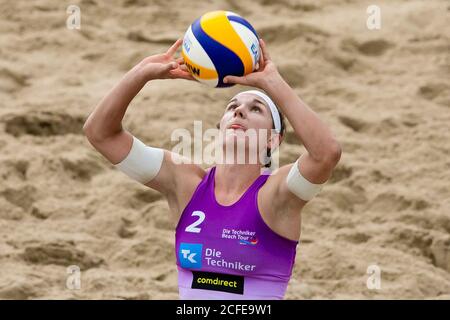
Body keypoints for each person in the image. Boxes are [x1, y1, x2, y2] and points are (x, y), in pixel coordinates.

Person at [83, 38, 342, 299]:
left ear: (272, 140)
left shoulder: (277, 195)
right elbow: (100, 134)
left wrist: (272, 82)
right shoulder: (185, 182)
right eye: (232, 107)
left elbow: (326, 154)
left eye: (256, 109)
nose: (239, 111)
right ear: (220, 128)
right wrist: (141, 73)